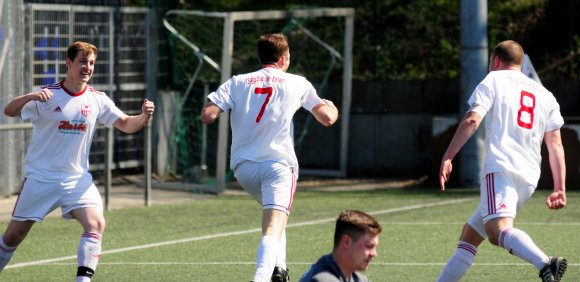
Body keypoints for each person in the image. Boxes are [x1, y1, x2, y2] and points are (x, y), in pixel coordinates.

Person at [0, 41, 155, 281]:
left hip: (76, 179)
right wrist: (31, 95)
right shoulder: (48, 95)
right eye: (83, 61)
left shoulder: (97, 99)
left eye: (91, 63)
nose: (87, 67)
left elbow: (126, 124)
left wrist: (143, 116)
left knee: (95, 224)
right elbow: (9, 111)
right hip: (41, 178)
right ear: (69, 63)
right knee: (13, 237)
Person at [201, 33, 339, 282]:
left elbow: (208, 115)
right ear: (284, 58)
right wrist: (332, 106)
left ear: (260, 56)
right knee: (274, 224)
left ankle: (280, 269)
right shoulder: (297, 82)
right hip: (278, 166)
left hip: (242, 168)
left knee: (276, 214)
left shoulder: (237, 81)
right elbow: (327, 118)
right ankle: (261, 276)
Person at [437, 40, 567, 282]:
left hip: (501, 169)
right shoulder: (545, 94)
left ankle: (545, 264)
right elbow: (556, 144)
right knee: (470, 236)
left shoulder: (493, 80)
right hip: (528, 178)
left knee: (497, 232)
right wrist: (560, 187)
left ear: (495, 61)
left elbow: (472, 120)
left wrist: (448, 155)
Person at [299, 210, 382, 282]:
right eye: (369, 246)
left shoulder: (357, 278)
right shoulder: (322, 279)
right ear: (347, 242)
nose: (374, 254)